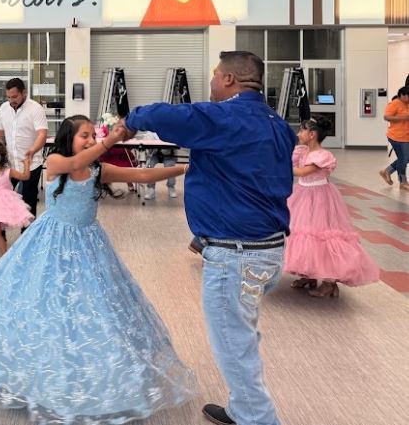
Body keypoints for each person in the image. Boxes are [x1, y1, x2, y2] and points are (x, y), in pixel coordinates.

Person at [0, 116, 195, 423]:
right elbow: (79, 162)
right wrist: (109, 140)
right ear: (68, 138)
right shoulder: (56, 161)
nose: (89, 140)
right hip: (50, 242)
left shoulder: (98, 169)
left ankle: (90, 368)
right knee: (41, 301)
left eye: (92, 135)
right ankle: (34, 369)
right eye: (83, 135)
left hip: (89, 243)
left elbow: (141, 174)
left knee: (93, 306)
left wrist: (183, 169)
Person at [120, 51, 295, 425]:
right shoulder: (276, 123)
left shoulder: (226, 116)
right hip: (269, 248)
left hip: (237, 255)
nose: (212, 81)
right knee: (241, 333)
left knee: (233, 343)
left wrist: (130, 119)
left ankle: (258, 419)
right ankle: (242, 408)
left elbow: (165, 115)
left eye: (215, 75)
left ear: (229, 79)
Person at [285, 117, 379, 298]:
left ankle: (328, 282)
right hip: (302, 194)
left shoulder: (322, 156)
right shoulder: (302, 151)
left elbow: (303, 172)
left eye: (302, 130)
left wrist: (281, 166)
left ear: (312, 135)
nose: (298, 134)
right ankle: (308, 274)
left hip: (319, 197)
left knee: (322, 234)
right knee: (302, 234)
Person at [0, 78, 47, 254]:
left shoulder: (35, 109)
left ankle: (28, 236)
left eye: (15, 96)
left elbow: (42, 134)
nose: (12, 100)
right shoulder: (4, 108)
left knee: (28, 199)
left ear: (24, 92)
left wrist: (32, 151)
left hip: (30, 163)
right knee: (1, 201)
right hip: (8, 164)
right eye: (9, 97)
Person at [379, 86, 409, 190]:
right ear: (402, 95)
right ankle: (403, 182)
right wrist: (402, 118)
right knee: (403, 159)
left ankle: (387, 171)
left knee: (405, 158)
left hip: (406, 136)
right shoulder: (394, 103)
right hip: (397, 137)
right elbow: (386, 117)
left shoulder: (407, 104)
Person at [139, 131, 178, 200]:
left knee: (170, 168)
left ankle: (171, 186)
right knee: (149, 167)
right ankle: (151, 189)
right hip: (154, 154)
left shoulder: (170, 128)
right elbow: (146, 142)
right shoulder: (151, 131)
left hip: (168, 154)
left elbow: (176, 141)